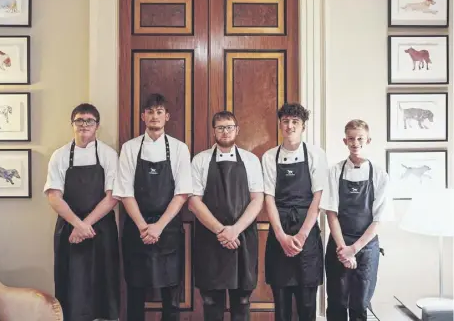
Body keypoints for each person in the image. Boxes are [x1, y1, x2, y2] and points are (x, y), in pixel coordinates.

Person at [112, 93, 192, 321]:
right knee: (135, 292)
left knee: (171, 293)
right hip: (137, 229)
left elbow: (182, 193)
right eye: (150, 112)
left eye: (159, 112)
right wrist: (143, 227)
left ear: (166, 117)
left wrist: (158, 227)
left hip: (168, 230)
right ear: (142, 116)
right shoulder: (130, 148)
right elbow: (125, 192)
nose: (154, 116)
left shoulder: (179, 148)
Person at [44, 103, 120, 321]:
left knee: (103, 286)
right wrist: (78, 225)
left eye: (89, 121)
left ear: (97, 126)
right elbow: (53, 196)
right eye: (79, 120)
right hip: (69, 230)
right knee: (72, 287)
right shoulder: (59, 155)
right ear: (72, 124)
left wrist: (85, 225)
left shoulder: (107, 154)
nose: (84, 125)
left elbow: (113, 196)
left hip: (102, 230)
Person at [189, 110, 264, 321]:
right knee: (211, 301)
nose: (225, 131)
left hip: (243, 239)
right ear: (214, 131)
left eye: (229, 127)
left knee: (242, 301)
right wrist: (222, 231)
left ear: (237, 130)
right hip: (209, 239)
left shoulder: (250, 160)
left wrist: (235, 231)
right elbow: (194, 202)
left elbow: (258, 200)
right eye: (220, 127)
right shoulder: (200, 160)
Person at [261, 102, 328, 321]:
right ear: (280, 125)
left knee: (307, 302)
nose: (290, 126)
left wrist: (301, 235)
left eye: (295, 122)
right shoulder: (269, 156)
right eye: (286, 121)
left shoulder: (316, 155)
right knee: (281, 302)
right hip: (279, 230)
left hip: (306, 233)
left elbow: (318, 197)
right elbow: (268, 198)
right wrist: (280, 236)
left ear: (303, 126)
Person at [321, 119, 390, 321]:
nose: (355, 142)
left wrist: (355, 249)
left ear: (368, 140)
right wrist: (344, 249)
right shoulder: (335, 171)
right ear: (345, 141)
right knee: (336, 302)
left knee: (360, 304)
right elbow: (331, 213)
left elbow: (378, 219)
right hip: (339, 245)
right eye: (351, 138)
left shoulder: (379, 174)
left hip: (367, 247)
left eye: (360, 138)